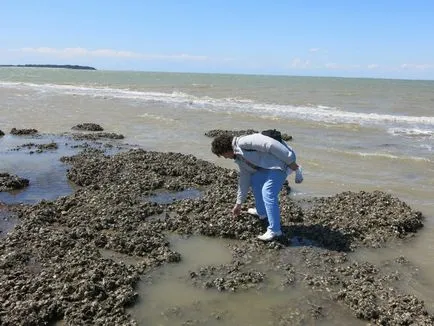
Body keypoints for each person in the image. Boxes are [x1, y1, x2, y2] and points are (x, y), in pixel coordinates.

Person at [211, 132, 303, 241]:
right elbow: (244, 180)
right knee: (255, 180)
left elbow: (270, 145)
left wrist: (291, 162)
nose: (225, 158)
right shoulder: (239, 157)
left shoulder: (243, 142)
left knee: (268, 192)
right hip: (269, 166)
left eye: (223, 155)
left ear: (225, 150)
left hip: (282, 162)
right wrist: (239, 203)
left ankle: (275, 230)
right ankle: (262, 212)